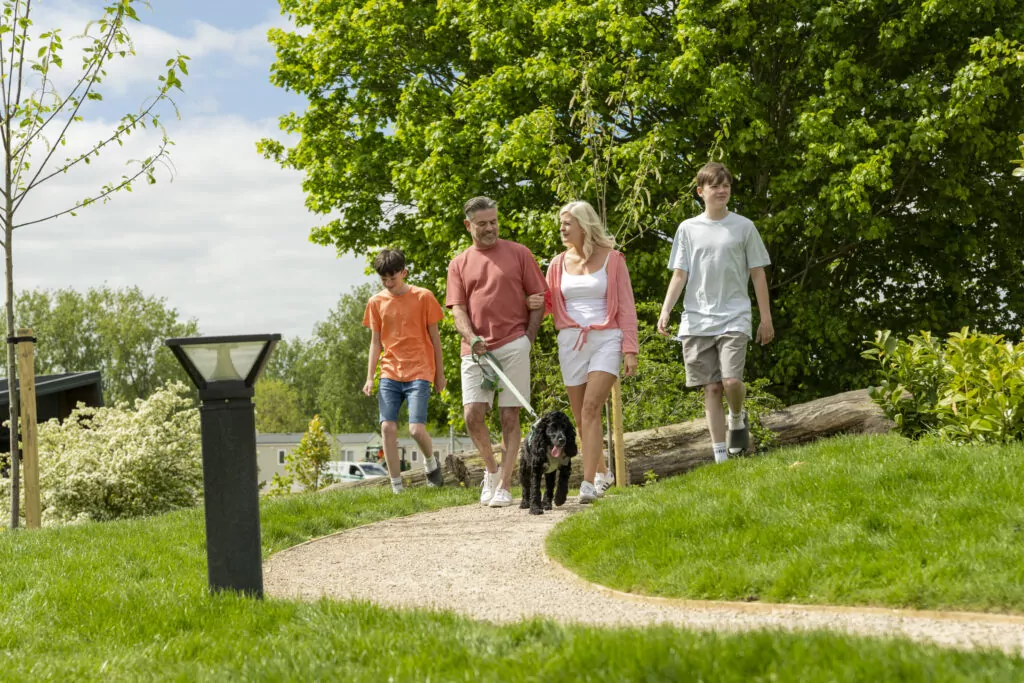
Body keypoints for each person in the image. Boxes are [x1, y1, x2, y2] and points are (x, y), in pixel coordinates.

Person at [657, 162, 774, 463]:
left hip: (735, 314)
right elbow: (680, 274)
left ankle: (737, 415)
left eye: (726, 185)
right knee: (710, 387)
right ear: (700, 192)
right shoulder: (688, 229)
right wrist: (666, 310)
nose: (722, 190)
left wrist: (766, 318)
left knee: (731, 382)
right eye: (715, 186)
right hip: (696, 319)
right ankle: (721, 457)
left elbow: (758, 273)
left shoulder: (744, 227)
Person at [530, 201, 638, 503]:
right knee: (580, 419)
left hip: (606, 338)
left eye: (567, 224)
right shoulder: (556, 263)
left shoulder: (613, 260)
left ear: (583, 225)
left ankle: (588, 483)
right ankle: (604, 473)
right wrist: (536, 304)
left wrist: (630, 349)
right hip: (570, 342)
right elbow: (553, 304)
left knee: (591, 408)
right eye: (561, 224)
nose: (562, 229)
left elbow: (627, 307)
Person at [446, 196, 548, 507]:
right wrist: (471, 336)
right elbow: (457, 310)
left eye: (493, 222)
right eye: (482, 224)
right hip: (476, 350)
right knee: (472, 415)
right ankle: (491, 471)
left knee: (509, 416)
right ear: (468, 226)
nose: (490, 228)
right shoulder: (459, 263)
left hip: (513, 344)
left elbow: (539, 297)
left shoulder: (519, 253)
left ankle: (504, 483)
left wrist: (528, 338)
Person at [362, 248, 446, 493]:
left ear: (404, 272)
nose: (389, 284)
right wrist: (370, 377)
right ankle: (397, 487)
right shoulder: (376, 302)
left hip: (420, 369)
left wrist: (439, 374)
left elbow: (435, 339)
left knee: (416, 430)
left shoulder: (424, 297)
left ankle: (431, 463)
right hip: (389, 371)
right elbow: (375, 342)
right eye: (384, 280)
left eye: (393, 278)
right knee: (387, 427)